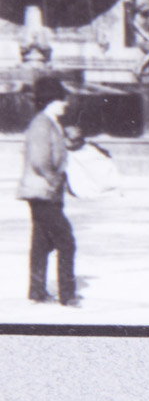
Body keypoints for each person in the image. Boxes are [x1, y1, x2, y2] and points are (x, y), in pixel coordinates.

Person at [16, 76, 75, 305]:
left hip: (42, 192)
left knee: (41, 242)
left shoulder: (49, 122)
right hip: (42, 192)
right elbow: (40, 160)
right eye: (62, 100)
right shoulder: (42, 123)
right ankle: (67, 295)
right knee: (66, 241)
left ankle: (37, 291)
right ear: (52, 101)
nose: (65, 104)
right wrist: (54, 180)